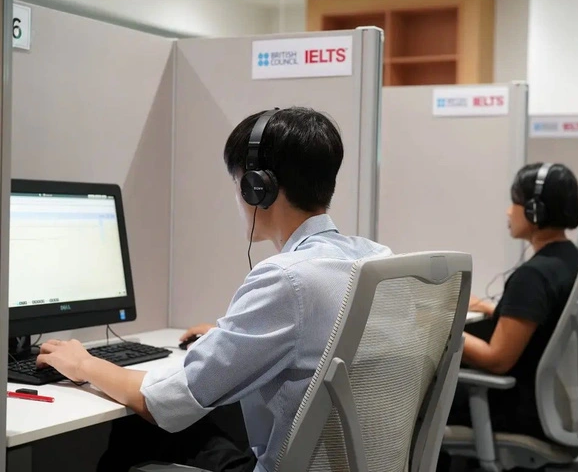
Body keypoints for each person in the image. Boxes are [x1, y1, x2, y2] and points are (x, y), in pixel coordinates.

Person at [34, 107, 392, 472]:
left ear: (257, 188)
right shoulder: (377, 261)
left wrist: (84, 363)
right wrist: (234, 336)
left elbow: (163, 401)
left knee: (136, 436)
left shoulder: (287, 279)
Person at [439, 163, 578, 471]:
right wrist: (493, 308)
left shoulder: (534, 276)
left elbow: (497, 360)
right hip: (556, 402)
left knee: (418, 400)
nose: (508, 211)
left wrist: (439, 327)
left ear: (534, 211)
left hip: (520, 408)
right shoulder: (572, 260)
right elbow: (545, 321)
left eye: (514, 202)